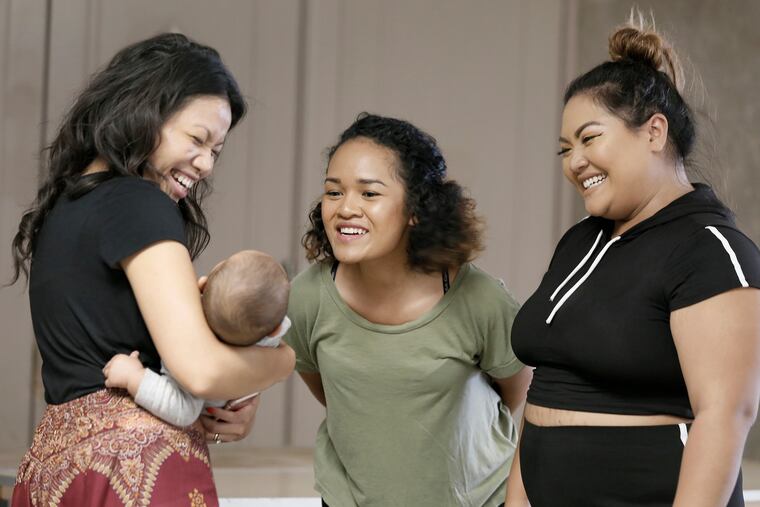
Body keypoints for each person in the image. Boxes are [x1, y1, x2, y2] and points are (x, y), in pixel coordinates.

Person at [9, 34, 295, 506]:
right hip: (136, 469)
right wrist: (284, 362)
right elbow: (200, 370)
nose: (205, 164)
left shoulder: (67, 204)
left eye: (216, 150)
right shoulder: (138, 202)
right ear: (143, 111)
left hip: (53, 473)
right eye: (197, 139)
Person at [505, 15, 760, 507]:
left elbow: (726, 415)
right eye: (564, 148)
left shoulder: (710, 249)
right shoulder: (580, 242)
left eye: (589, 137)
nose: (573, 161)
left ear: (654, 131)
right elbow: (547, 393)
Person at [285, 113, 532, 507]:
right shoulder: (307, 297)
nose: (346, 208)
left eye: (369, 194)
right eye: (334, 192)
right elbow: (334, 393)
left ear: (416, 209)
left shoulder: (481, 299)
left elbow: (513, 392)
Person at [102, 250, 291, 428]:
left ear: (201, 285)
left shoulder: (190, 348)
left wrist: (134, 377)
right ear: (277, 330)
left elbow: (183, 410)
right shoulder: (270, 330)